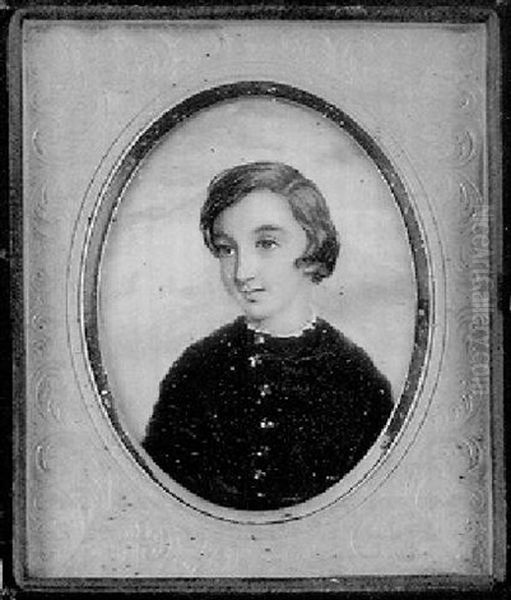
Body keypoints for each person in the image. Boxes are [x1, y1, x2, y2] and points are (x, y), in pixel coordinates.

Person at [142, 161, 393, 511]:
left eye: (266, 243)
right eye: (227, 249)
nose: (242, 272)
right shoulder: (195, 371)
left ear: (313, 246)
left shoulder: (357, 379)